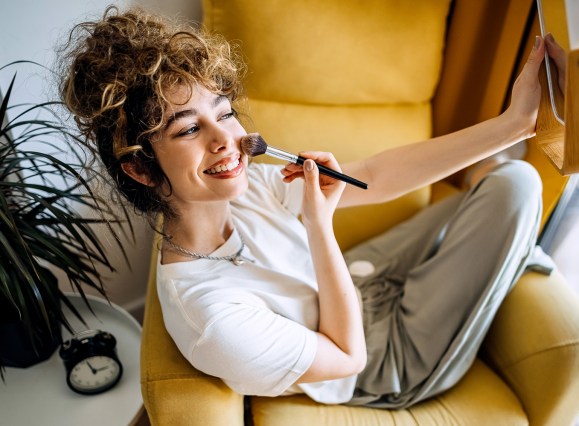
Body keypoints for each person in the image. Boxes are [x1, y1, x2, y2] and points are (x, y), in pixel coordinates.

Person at [60, 6, 548, 408]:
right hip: (384, 356)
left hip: (358, 281)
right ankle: (515, 241)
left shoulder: (243, 187)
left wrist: (514, 123)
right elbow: (349, 355)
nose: (226, 141)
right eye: (188, 129)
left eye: (225, 113)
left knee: (504, 179)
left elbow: (372, 179)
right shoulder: (214, 321)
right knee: (520, 185)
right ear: (142, 170)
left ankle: (507, 192)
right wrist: (320, 225)